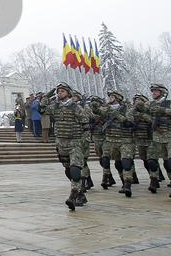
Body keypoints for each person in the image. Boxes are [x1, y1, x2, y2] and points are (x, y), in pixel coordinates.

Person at [38, 82, 90, 210]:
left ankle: (73, 197)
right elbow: (41, 108)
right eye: (58, 91)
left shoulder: (75, 108)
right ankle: (81, 194)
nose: (59, 93)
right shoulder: (54, 107)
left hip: (75, 143)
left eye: (62, 91)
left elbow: (86, 125)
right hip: (61, 144)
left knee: (75, 171)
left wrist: (84, 143)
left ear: (68, 93)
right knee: (68, 171)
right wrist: (49, 93)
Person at [140, 84, 171, 201]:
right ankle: (154, 181)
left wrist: (163, 110)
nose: (153, 93)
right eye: (152, 91)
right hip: (157, 137)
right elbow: (139, 112)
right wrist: (150, 118)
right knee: (154, 161)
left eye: (156, 91)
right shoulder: (149, 104)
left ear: (162, 92)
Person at [101, 90, 135, 197]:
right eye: (109, 96)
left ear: (117, 98)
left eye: (112, 96)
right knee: (116, 163)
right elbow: (97, 115)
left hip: (125, 140)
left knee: (126, 162)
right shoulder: (106, 109)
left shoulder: (127, 109)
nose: (110, 98)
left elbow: (129, 123)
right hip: (110, 140)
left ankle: (128, 185)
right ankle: (123, 182)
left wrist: (118, 116)